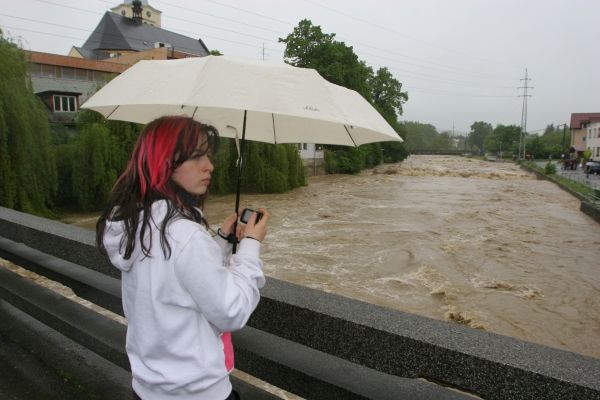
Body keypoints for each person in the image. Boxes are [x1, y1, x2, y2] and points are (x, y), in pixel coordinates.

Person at [96, 116, 268, 400]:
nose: (209, 166)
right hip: (197, 392)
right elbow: (232, 311)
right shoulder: (184, 234)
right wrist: (250, 245)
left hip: (148, 387)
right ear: (164, 162)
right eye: (197, 156)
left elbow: (174, 275)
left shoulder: (137, 221)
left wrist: (222, 242)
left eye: (208, 156)